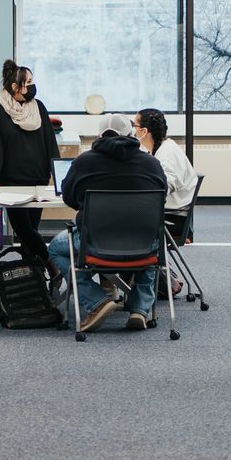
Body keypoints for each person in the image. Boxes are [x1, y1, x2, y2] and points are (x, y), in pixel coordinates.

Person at [51, 112, 167, 333]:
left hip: (95, 244)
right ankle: (139, 309)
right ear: (132, 134)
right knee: (151, 236)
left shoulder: (84, 161)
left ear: (99, 135)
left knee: (56, 249)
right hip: (142, 245)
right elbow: (161, 199)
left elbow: (68, 197)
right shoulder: (151, 163)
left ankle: (97, 301)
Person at [0, 59, 61, 281]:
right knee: (24, 230)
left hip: (39, 178)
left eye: (32, 81)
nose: (32, 87)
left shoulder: (38, 107)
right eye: (27, 83)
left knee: (29, 233)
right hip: (11, 181)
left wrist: (59, 177)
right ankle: (51, 265)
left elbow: (49, 142)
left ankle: (34, 283)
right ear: (15, 87)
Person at [134, 108, 197, 298]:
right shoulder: (161, 149)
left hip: (172, 218)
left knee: (124, 228)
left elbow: (165, 187)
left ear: (144, 131)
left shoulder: (167, 153)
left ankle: (161, 282)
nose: (133, 130)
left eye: (134, 126)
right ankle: (164, 280)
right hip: (170, 213)